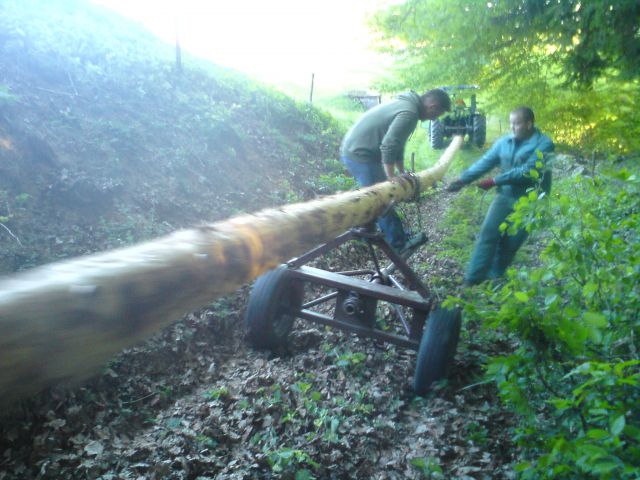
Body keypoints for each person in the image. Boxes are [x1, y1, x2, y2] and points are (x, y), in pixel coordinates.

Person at [447, 106, 554, 285]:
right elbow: (485, 162)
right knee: (487, 235)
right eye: (511, 124)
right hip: (504, 197)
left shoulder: (544, 143)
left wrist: (495, 181)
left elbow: (528, 171)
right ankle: (472, 279)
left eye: (517, 124)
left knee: (511, 243)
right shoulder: (504, 143)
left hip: (530, 201)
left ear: (529, 123)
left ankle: (494, 278)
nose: (512, 128)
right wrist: (462, 180)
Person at [340, 89, 451, 252]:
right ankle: (399, 244)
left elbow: (398, 144)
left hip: (361, 149)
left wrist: (401, 171)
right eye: (436, 114)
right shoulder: (409, 113)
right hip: (360, 153)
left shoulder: (408, 105)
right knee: (383, 198)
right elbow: (389, 145)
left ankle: (366, 231)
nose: (434, 119)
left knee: (374, 194)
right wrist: (391, 178)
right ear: (432, 106)